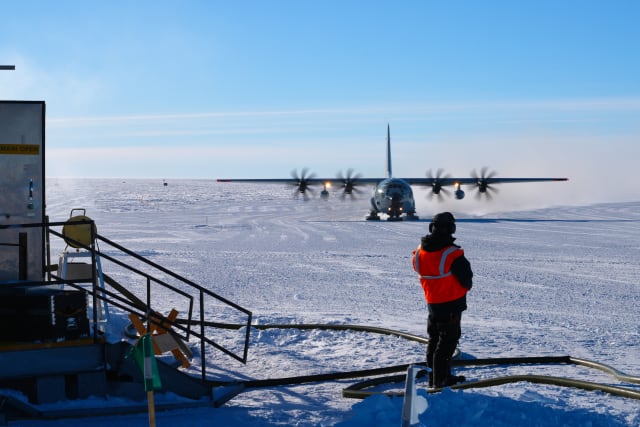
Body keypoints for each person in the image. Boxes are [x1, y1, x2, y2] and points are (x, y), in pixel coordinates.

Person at [412, 212, 473, 388]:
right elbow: (466, 278)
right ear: (451, 228)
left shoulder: (420, 251)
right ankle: (439, 382)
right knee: (447, 343)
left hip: (432, 303)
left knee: (434, 340)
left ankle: (437, 377)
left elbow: (419, 268)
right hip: (451, 304)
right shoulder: (452, 253)